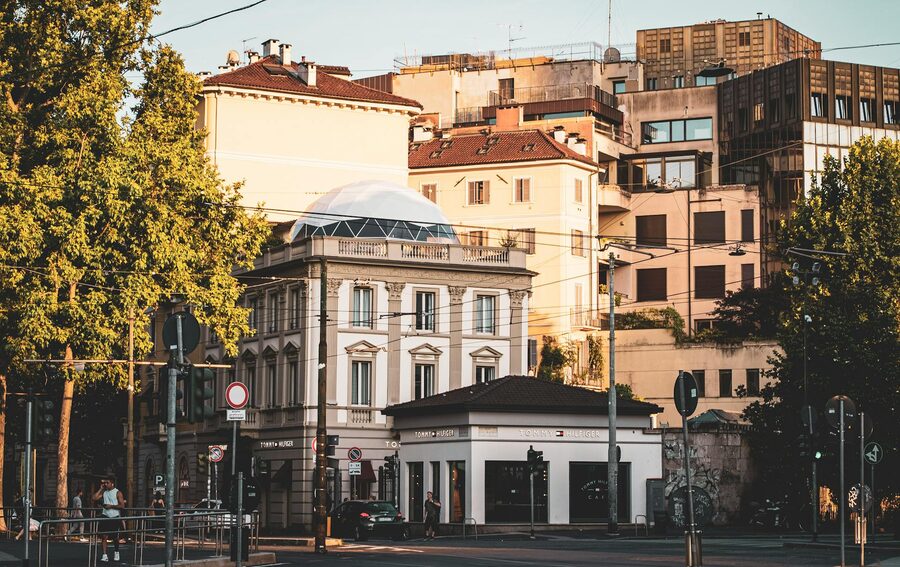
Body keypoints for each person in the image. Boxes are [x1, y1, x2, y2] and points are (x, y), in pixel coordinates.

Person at [93, 476, 125, 563]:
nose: (106, 484)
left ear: (112, 483)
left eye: (107, 483)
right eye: (105, 483)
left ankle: (116, 552)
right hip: (105, 515)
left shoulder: (118, 492)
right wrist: (100, 489)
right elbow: (94, 498)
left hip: (114, 517)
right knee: (104, 536)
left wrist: (111, 506)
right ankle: (104, 555)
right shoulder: (104, 492)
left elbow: (122, 506)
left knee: (115, 537)